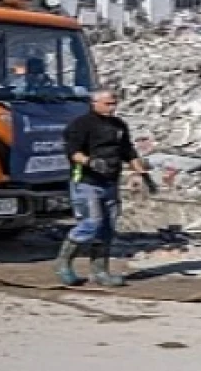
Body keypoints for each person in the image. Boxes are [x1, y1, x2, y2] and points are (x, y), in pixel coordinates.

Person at [58, 90, 152, 288]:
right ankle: (64, 264)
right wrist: (90, 162)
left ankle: (100, 272)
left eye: (114, 103)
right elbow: (72, 151)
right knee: (91, 224)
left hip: (110, 183)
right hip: (86, 182)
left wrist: (142, 174)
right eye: (108, 103)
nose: (112, 107)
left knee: (106, 228)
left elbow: (128, 151)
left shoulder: (119, 125)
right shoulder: (81, 124)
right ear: (95, 103)